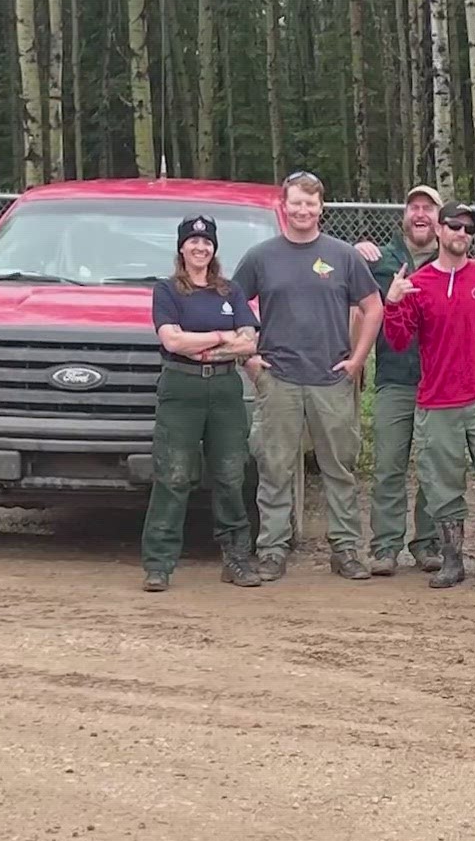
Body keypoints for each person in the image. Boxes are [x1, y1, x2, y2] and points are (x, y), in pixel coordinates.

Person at [236, 170, 383, 582]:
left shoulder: (342, 256)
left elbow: (373, 307)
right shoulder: (262, 256)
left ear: (322, 207)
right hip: (278, 378)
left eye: (310, 203)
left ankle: (346, 549)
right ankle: (272, 548)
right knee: (275, 466)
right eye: (296, 202)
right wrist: (248, 357)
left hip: (330, 378)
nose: (303, 210)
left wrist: (357, 361)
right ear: (284, 206)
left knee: (340, 468)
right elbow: (232, 303)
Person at [380, 202, 475, 592]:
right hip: (437, 400)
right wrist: (393, 303)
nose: (461, 234)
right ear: (439, 230)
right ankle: (452, 561)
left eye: (468, 228)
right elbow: (398, 342)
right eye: (454, 226)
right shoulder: (420, 282)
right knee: (442, 483)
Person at [139, 215, 263, 592]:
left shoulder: (229, 292)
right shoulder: (167, 291)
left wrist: (203, 346)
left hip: (225, 390)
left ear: (214, 249)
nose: (200, 248)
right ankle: (159, 564)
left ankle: (237, 559)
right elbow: (172, 342)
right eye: (193, 242)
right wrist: (219, 336)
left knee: (230, 475)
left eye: (206, 242)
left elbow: (249, 343)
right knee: (173, 476)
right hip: (181, 389)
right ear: (181, 248)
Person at [353, 184, 443, 576]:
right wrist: (351, 252)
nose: (420, 214)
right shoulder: (380, 260)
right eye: (414, 208)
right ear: (404, 216)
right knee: (389, 465)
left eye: (428, 208)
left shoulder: (452, 261)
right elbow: (344, 288)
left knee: (434, 468)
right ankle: (385, 546)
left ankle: (428, 543)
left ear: (440, 220)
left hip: (440, 383)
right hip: (394, 378)